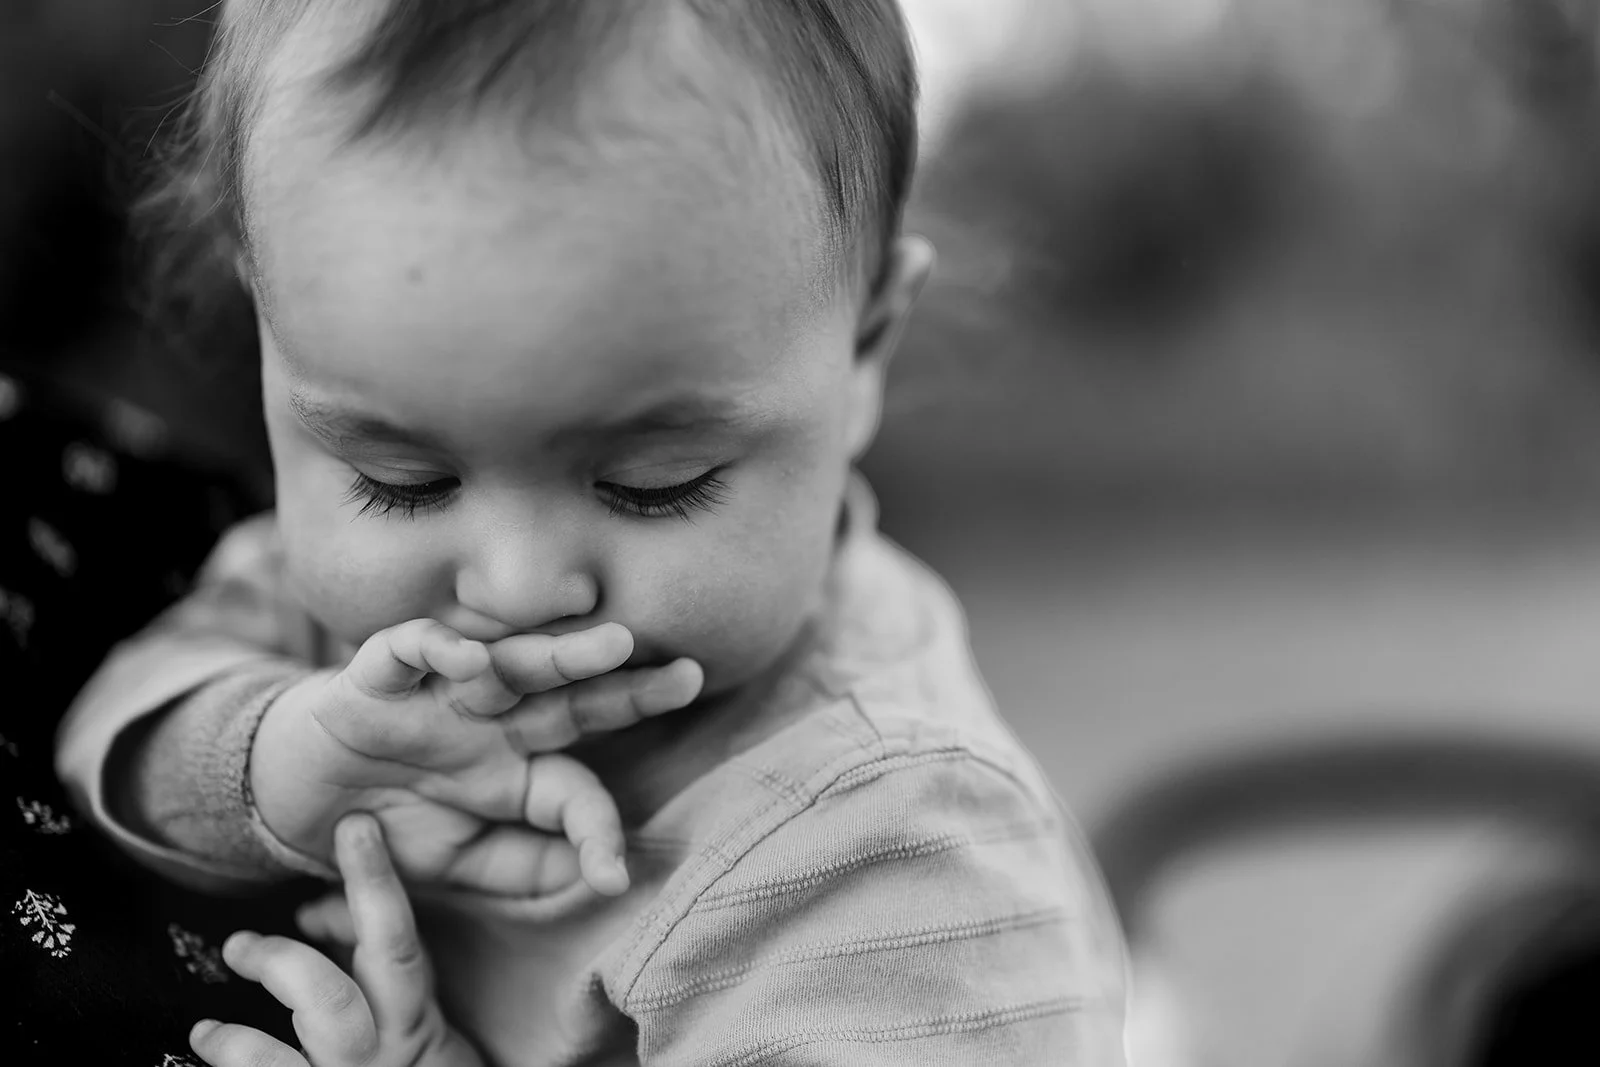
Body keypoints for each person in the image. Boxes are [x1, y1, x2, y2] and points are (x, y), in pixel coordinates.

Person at [57, 1, 1132, 1064]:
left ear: (864, 352)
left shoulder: (884, 850)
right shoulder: (320, 604)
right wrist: (278, 763)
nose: (517, 586)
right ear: (271, 342)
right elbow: (108, 727)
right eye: (404, 481)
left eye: (654, 484)